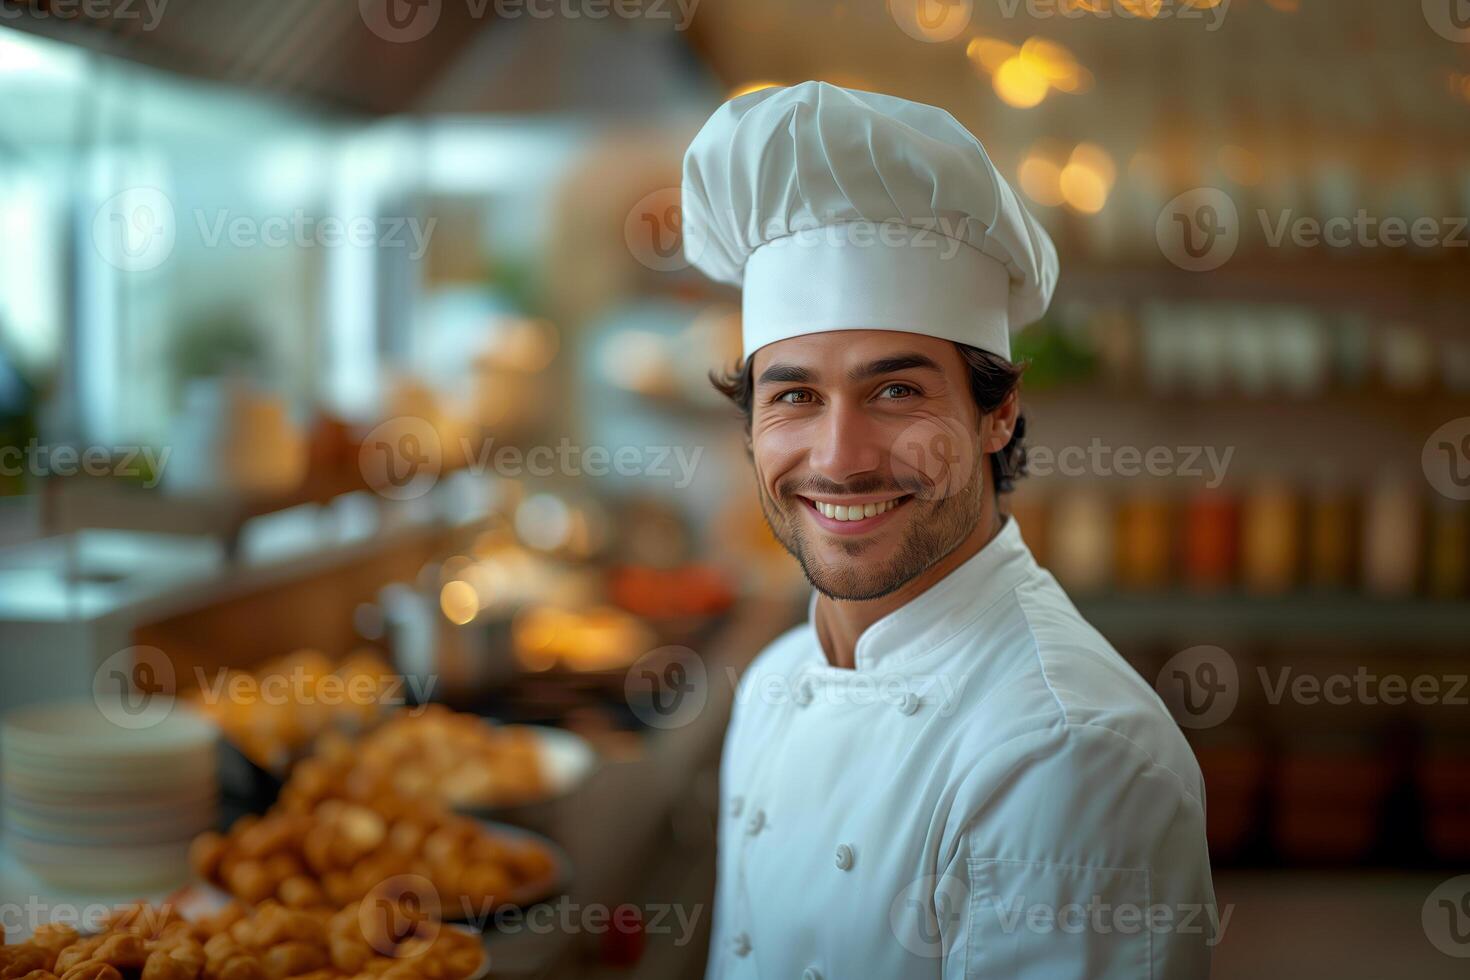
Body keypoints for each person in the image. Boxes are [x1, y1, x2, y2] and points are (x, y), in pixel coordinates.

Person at [682, 82, 1217, 979]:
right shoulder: (774, 685)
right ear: (749, 423)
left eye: (897, 391)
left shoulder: (1064, 751)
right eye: (794, 396)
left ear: (997, 413)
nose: (841, 458)